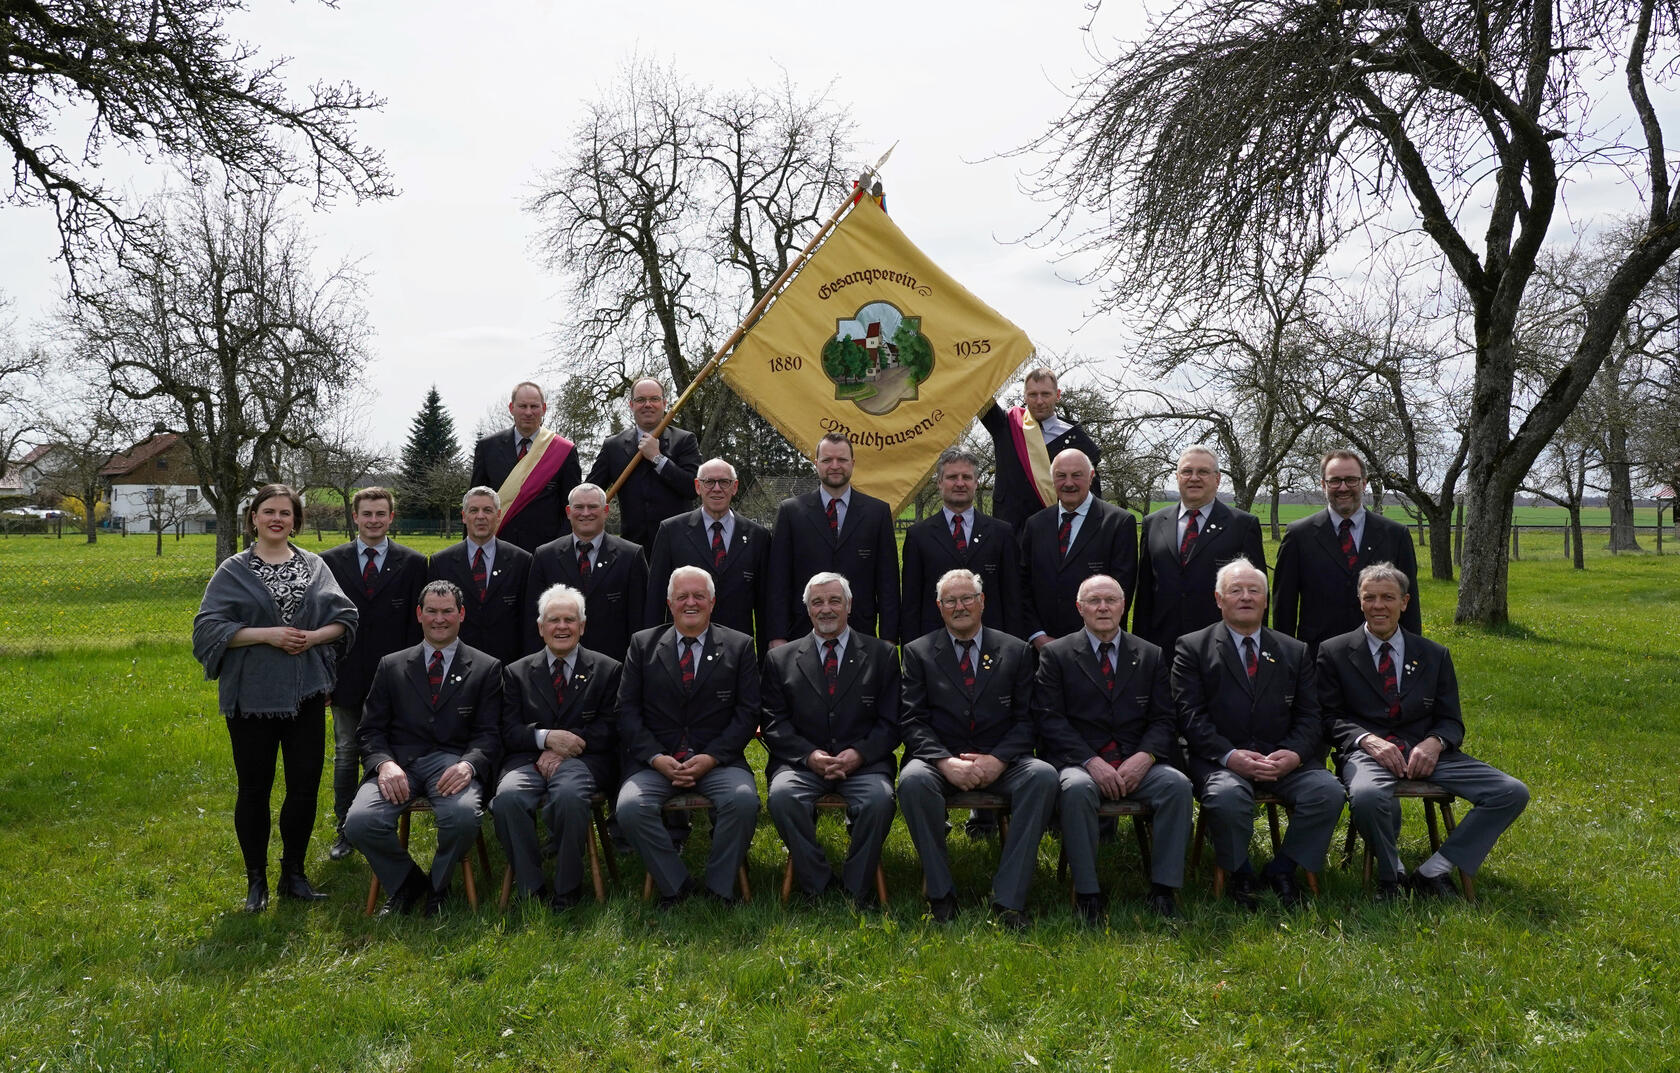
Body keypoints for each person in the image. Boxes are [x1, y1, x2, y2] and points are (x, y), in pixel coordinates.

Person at [1317, 563, 1528, 900]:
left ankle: (1435, 869)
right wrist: (1367, 740)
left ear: (1405, 602)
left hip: (1427, 754)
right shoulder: (1334, 652)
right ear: (1359, 601)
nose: (1378, 606)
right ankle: (1393, 874)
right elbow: (1328, 718)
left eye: (1388, 597)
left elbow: (1451, 720)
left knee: (1511, 792)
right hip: (1366, 753)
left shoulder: (1433, 654)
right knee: (1369, 797)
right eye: (1369, 597)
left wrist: (1435, 742)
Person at [192, 484, 357, 912]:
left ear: (295, 520)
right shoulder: (233, 570)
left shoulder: (314, 565)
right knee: (254, 789)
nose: (277, 519)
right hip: (251, 698)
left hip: (305, 694)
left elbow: (345, 617)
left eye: (285, 512)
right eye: (269, 511)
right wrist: (268, 635)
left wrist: (312, 637)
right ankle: (256, 882)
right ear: (254, 518)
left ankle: (294, 875)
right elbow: (207, 628)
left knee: (303, 788)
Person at [1172, 559, 1344, 910]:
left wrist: (1293, 755)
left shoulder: (1294, 651)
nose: (1246, 597)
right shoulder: (1192, 648)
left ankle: (1283, 868)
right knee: (1226, 798)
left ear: (1266, 601)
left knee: (1328, 791)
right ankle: (1241, 873)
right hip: (1221, 761)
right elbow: (1189, 716)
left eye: (1255, 591)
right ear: (1219, 599)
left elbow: (1312, 715)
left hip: (1285, 762)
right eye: (1236, 590)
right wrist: (1231, 757)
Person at [897, 569, 1056, 929]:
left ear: (982, 602)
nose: (960, 606)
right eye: (950, 600)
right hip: (940, 764)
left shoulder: (1015, 651)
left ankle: (1009, 900)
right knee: (911, 780)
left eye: (967, 598)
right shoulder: (918, 653)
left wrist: (999, 759)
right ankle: (941, 895)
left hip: (1001, 761)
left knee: (1043, 776)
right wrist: (943, 761)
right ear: (939, 607)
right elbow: (911, 720)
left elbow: (1029, 719)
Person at [1034, 574, 1192, 923]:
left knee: (1177, 786)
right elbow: (1050, 720)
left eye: (1111, 600)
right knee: (1075, 789)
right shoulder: (1057, 655)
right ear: (1080, 608)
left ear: (1124, 606)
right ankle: (1088, 895)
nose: (1103, 607)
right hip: (1080, 761)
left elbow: (1165, 719)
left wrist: (1144, 757)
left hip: (1138, 761)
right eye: (1094, 601)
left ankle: (1164, 891)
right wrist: (1091, 762)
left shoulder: (1150, 655)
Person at [345, 580, 504, 916]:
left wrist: (468, 766)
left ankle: (438, 885)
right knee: (359, 821)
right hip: (398, 763)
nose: (439, 619)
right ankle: (408, 882)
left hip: (452, 764)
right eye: (431, 611)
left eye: (447, 611)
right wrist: (385, 765)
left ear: (461, 614)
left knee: (462, 817)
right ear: (419, 614)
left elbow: (490, 734)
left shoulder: (486, 668)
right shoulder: (391, 665)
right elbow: (370, 730)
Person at [616, 566, 762, 907]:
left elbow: (747, 713)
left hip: (718, 761)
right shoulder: (642, 645)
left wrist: (712, 757)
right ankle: (676, 885)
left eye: (698, 596)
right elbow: (626, 712)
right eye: (682, 597)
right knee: (630, 807)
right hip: (657, 763)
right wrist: (656, 758)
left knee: (743, 802)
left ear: (713, 602)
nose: (690, 603)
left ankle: (718, 888)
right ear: (670, 603)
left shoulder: (740, 646)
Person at [761, 573, 901, 909]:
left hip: (864, 766)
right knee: (782, 797)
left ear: (849, 606)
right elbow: (772, 722)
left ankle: (856, 887)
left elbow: (892, 722)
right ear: (807, 610)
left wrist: (859, 754)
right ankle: (817, 884)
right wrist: (809, 756)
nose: (826, 609)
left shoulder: (882, 654)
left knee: (880, 801)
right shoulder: (780, 660)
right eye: (817, 602)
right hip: (802, 765)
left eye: (834, 601)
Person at [492, 583, 622, 910]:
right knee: (507, 798)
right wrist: (547, 739)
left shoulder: (608, 670)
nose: (561, 627)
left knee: (568, 797)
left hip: (586, 761)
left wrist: (566, 746)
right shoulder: (516, 673)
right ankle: (531, 885)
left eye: (569, 619)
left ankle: (567, 889)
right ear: (540, 627)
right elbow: (507, 730)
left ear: (582, 626)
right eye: (553, 620)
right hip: (528, 760)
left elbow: (611, 727)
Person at [320, 486, 427, 861]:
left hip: (395, 680)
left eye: (381, 514)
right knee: (347, 752)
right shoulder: (329, 562)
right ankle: (346, 828)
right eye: (367, 514)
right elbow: (322, 621)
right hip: (345, 676)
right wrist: (325, 678)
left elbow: (419, 629)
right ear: (355, 517)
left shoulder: (413, 563)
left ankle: (386, 818)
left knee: (391, 752)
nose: (374, 520)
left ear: (391, 518)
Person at [1273, 449, 1421, 656]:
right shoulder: (1298, 535)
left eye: (1351, 480)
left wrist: (1414, 657)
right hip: (1319, 660)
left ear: (1364, 483)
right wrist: (1286, 663)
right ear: (1323, 485)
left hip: (1380, 656)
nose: (1343, 488)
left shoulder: (1395, 535)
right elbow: (1284, 608)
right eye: (1335, 481)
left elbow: (1410, 605)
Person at [766, 432, 900, 645]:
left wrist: (889, 638)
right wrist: (777, 635)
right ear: (816, 463)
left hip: (862, 634)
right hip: (801, 633)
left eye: (842, 459)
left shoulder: (878, 513)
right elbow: (778, 581)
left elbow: (888, 584)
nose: (835, 465)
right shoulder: (791, 512)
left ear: (853, 463)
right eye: (827, 460)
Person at [1132, 446, 1266, 652]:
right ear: (1177, 477)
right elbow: (1144, 594)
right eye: (1187, 471)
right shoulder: (1153, 523)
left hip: (1222, 647)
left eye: (1203, 472)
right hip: (1163, 645)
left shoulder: (1242, 525)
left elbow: (1258, 595)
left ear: (1217, 479)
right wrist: (1140, 647)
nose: (1194, 478)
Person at [900, 447, 1022, 643]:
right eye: (952, 477)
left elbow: (1013, 600)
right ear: (939, 483)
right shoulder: (918, 535)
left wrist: (1014, 649)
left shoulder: (1001, 533)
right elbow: (911, 604)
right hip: (934, 647)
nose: (959, 483)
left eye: (966, 477)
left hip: (993, 644)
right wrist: (911, 653)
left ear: (976, 482)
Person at [644, 458, 770, 646]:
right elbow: (655, 596)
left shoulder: (758, 536)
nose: (717, 488)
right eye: (709, 482)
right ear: (698, 486)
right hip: (683, 647)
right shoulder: (671, 531)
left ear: (734, 487)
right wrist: (651, 648)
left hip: (737, 650)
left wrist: (764, 660)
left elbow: (765, 602)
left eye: (724, 482)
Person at [1019, 448, 1138, 646]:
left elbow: (1121, 590)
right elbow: (1023, 585)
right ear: (1052, 479)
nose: (1068, 483)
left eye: (1077, 475)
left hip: (1098, 646)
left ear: (1091, 477)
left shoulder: (1118, 523)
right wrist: (1037, 635)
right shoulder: (1035, 524)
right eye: (1061, 476)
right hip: (1042, 648)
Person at [525, 483, 648, 662]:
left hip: (615, 665)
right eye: (579, 507)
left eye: (592, 507)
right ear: (568, 512)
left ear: (605, 510)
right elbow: (532, 620)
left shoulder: (631, 556)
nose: (585, 513)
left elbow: (640, 620)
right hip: (559, 664)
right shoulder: (545, 556)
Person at [980, 367, 1103, 530]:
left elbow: (1091, 498)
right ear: (1024, 396)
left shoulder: (1077, 440)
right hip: (1009, 531)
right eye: (1032, 394)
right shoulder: (1007, 425)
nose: (1039, 401)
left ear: (1057, 395)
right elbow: (977, 394)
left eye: (1045, 394)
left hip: (1053, 533)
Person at [585, 377, 701, 551]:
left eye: (654, 399)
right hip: (631, 549)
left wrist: (658, 458)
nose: (648, 404)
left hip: (678, 544)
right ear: (631, 405)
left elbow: (693, 488)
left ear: (664, 403)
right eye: (641, 400)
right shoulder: (613, 446)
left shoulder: (684, 440)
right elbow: (590, 491)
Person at [469, 381, 582, 553]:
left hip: (545, 552)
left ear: (543, 408)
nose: (528, 412)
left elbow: (571, 510)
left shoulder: (564, 451)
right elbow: (473, 502)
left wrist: (560, 552)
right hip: (496, 549)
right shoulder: (487, 448)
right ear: (511, 408)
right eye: (522, 406)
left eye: (534, 406)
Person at [428, 486, 532, 665]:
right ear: (463, 516)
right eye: (474, 510)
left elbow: (528, 618)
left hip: (508, 662)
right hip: (455, 662)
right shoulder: (441, 562)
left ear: (498, 515)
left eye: (488, 510)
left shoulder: (522, 560)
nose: (481, 516)